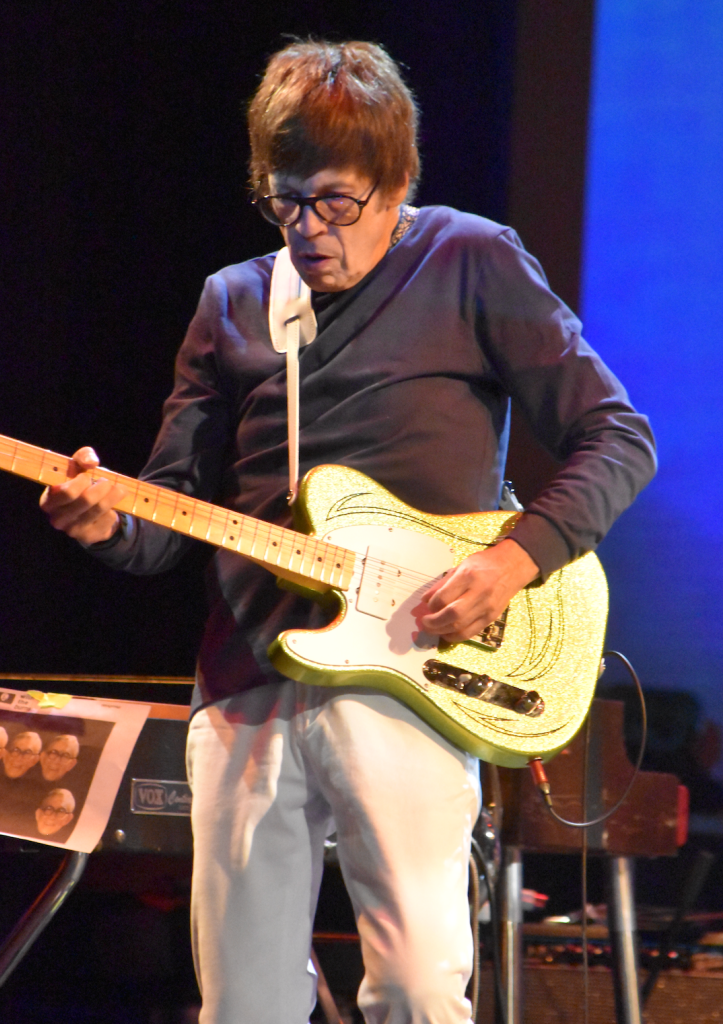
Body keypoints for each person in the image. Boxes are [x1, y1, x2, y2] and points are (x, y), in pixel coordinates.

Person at [39, 40, 657, 1024]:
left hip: (413, 671)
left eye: (335, 202)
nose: (309, 231)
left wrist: (513, 559)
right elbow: (164, 519)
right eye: (285, 202)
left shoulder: (471, 260)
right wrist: (105, 522)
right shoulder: (233, 301)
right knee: (243, 1004)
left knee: (416, 990)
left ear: (395, 179)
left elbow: (617, 435)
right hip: (246, 681)